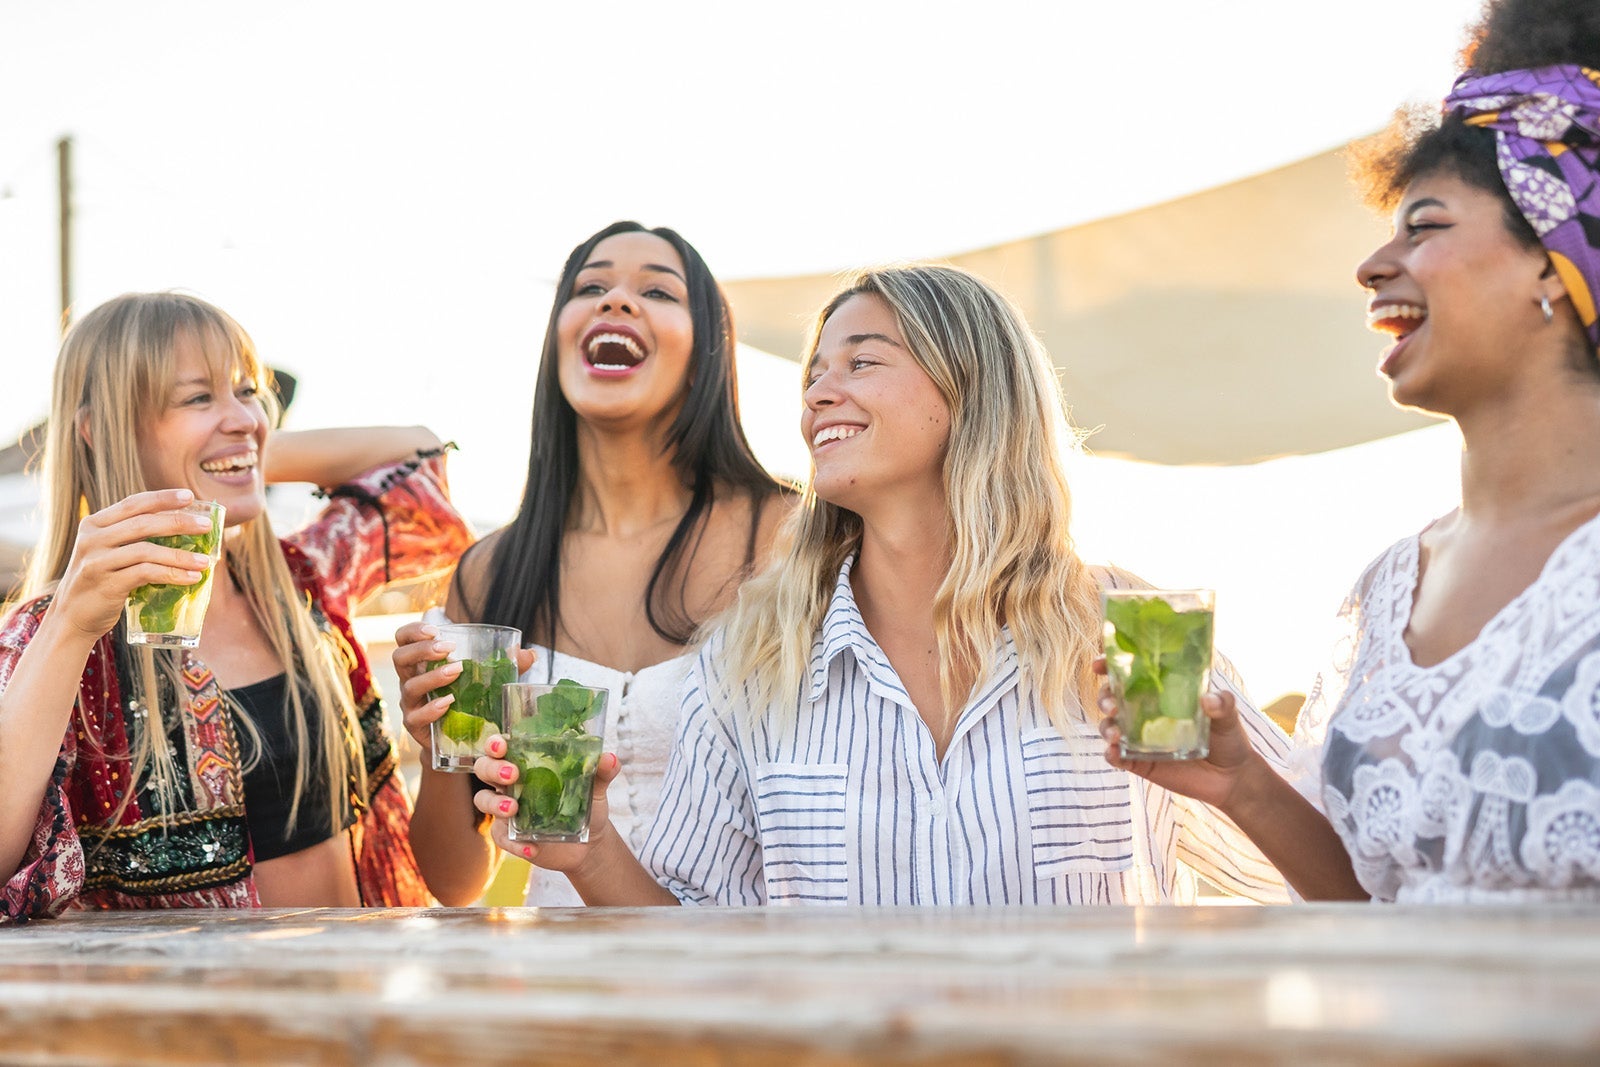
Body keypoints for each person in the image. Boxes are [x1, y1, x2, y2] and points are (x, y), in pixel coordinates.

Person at [468, 263, 1293, 906]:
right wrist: (592, 852)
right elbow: (691, 932)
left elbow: (1325, 867)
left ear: (973, 389)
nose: (819, 394)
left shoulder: (1129, 631)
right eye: (813, 375)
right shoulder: (748, 663)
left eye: (862, 361)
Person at [1098, 0, 1600, 903]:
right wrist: (1243, 784)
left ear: (1552, 258)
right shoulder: (1385, 590)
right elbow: (1382, 904)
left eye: (1427, 225)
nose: (1374, 263)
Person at [0, 292, 471, 920]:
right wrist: (70, 626)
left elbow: (419, 462)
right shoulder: (48, 636)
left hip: (354, 1008)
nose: (245, 415)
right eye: (197, 397)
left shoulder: (306, 582)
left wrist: (236, 455)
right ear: (98, 429)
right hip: (187, 1017)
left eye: (248, 391)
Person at [393, 221, 792, 906]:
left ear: (707, 353)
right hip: (563, 983)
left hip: (747, 976)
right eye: (592, 286)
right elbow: (456, 883)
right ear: (558, 341)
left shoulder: (788, 536)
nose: (617, 301)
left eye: (658, 290)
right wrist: (437, 744)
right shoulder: (491, 570)